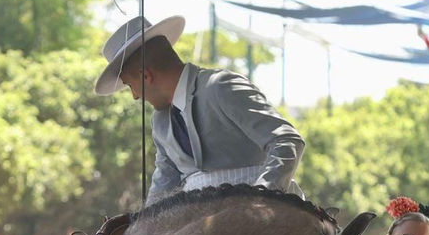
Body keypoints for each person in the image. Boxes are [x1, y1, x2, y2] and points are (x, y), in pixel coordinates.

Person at [95, 14, 304, 200]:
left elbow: (286, 140)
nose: (134, 96)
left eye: (131, 85)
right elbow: (163, 187)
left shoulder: (220, 86)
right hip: (200, 227)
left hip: (268, 220)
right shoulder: (160, 123)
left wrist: (263, 196)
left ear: (145, 75)